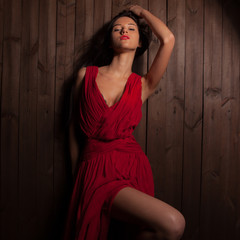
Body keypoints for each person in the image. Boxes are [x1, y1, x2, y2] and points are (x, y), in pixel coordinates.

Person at [63, 4, 185, 240]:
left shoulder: (143, 85)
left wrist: (140, 13)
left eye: (130, 28)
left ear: (140, 43)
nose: (123, 30)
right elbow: (71, 129)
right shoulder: (86, 76)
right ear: (109, 42)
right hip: (93, 168)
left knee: (171, 225)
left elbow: (168, 39)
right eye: (117, 28)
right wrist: (76, 176)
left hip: (131, 168)